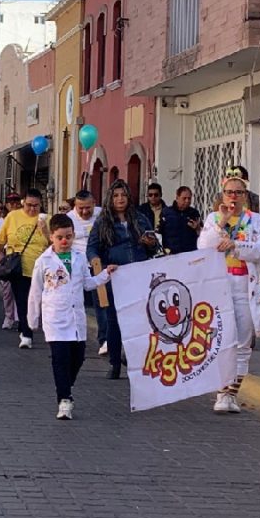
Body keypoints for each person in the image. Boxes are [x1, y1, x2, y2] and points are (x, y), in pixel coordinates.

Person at [28, 214, 117, 420]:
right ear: (52, 237)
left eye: (68, 236)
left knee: (78, 357)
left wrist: (105, 274)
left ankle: (67, 385)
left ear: (73, 235)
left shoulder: (78, 258)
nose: (64, 241)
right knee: (60, 359)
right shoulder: (44, 261)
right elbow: (35, 291)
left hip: (76, 318)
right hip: (55, 318)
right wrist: (32, 320)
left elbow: (87, 283)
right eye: (60, 237)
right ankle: (64, 400)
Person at [198, 169, 260, 413]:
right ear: (223, 194)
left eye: (239, 193)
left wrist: (236, 245)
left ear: (245, 195)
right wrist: (221, 222)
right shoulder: (212, 219)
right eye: (229, 192)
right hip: (220, 288)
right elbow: (204, 246)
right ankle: (220, 391)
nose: (234, 197)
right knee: (220, 340)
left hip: (244, 289)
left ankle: (231, 394)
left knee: (242, 344)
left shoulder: (255, 220)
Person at [87, 179, 157, 379]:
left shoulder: (141, 219)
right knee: (114, 321)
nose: (120, 199)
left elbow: (153, 246)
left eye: (124, 195)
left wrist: (149, 242)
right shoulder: (103, 221)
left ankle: (136, 360)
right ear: (111, 198)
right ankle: (115, 363)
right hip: (115, 276)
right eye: (116, 195)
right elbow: (91, 247)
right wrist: (96, 261)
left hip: (138, 275)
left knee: (140, 320)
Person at [0, 188, 50, 349]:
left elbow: (55, 244)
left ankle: (33, 328)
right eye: (29, 205)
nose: (32, 209)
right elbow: (1, 241)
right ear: (23, 203)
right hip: (18, 266)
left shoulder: (46, 219)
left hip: (40, 268)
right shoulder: (13, 216)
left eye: (36, 206)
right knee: (22, 301)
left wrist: (45, 230)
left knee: (37, 302)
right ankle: (26, 333)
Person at [68, 190, 108, 355]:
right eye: (80, 208)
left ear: (94, 203)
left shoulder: (102, 215)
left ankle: (104, 339)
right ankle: (71, 338)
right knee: (74, 303)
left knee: (101, 304)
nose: (84, 212)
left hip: (96, 264)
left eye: (87, 208)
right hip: (76, 266)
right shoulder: (69, 218)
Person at [0, 192, 23, 329]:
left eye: (17, 202)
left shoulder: (25, 219)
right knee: (7, 291)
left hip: (21, 258)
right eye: (11, 202)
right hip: (7, 257)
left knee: (21, 289)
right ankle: (9, 316)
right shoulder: (2, 221)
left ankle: (20, 318)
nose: (14, 205)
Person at [159, 186, 201, 254]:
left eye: (189, 198)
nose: (187, 201)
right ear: (177, 198)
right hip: (171, 253)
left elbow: (202, 233)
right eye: (184, 198)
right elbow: (159, 232)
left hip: (189, 252)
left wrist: (197, 228)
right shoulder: (166, 212)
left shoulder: (194, 213)